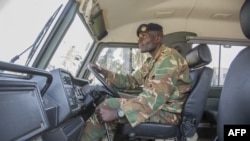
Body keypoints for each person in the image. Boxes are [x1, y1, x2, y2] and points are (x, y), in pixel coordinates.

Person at [81, 23, 192, 141]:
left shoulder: (169, 58)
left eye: (144, 37)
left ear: (157, 39)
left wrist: (118, 112)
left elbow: (154, 99)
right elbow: (131, 81)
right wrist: (103, 71)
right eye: (139, 37)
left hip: (167, 114)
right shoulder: (152, 61)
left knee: (110, 105)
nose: (139, 41)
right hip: (158, 108)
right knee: (107, 97)